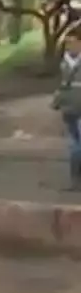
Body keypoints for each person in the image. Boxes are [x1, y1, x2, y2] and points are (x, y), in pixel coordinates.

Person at [54, 32, 81, 190]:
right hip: (72, 108)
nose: (71, 46)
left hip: (70, 107)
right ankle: (75, 178)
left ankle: (75, 179)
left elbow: (62, 86)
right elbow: (62, 86)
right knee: (75, 143)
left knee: (75, 143)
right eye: (68, 43)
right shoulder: (64, 63)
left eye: (73, 42)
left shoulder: (64, 63)